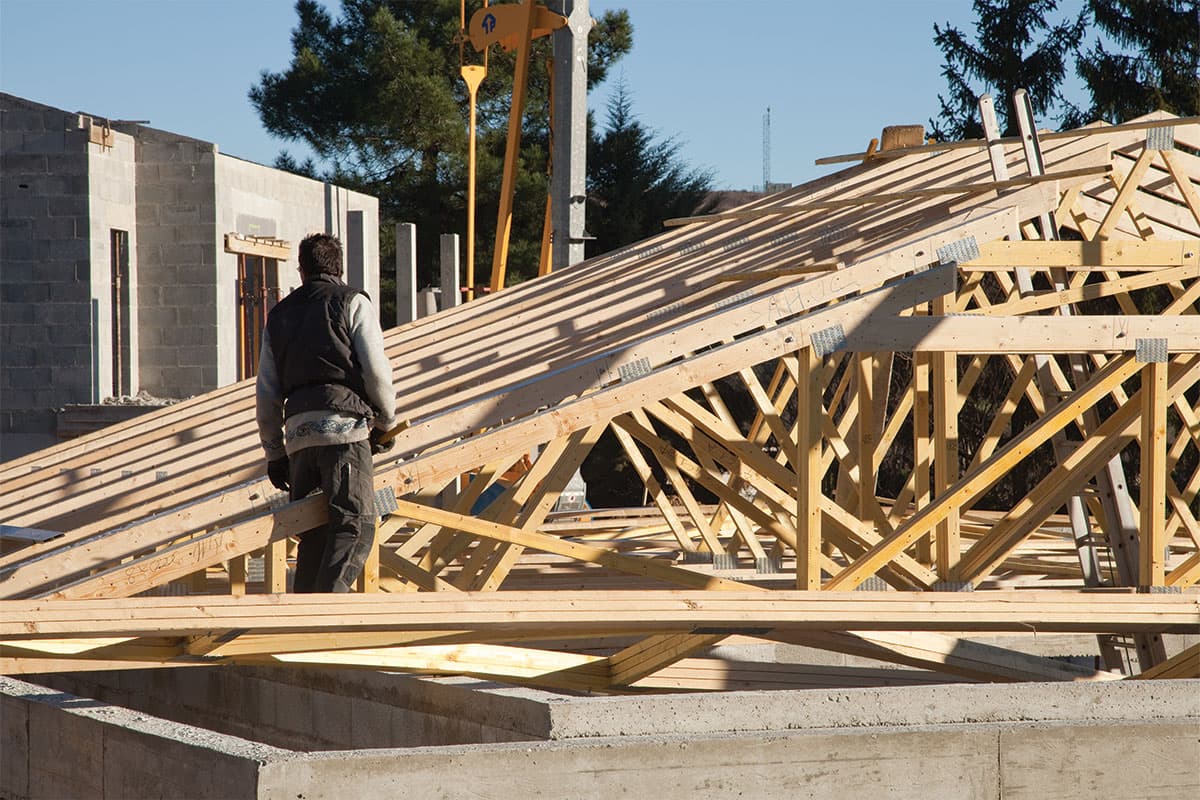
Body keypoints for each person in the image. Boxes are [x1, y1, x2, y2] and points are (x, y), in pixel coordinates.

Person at [255, 232, 397, 593]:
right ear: (339, 268)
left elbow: (267, 391)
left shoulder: (280, 315)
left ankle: (300, 615)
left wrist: (274, 452)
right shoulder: (351, 302)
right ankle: (326, 609)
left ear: (302, 270)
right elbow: (376, 369)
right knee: (355, 524)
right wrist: (385, 420)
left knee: (313, 531)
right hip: (344, 431)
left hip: (299, 436)